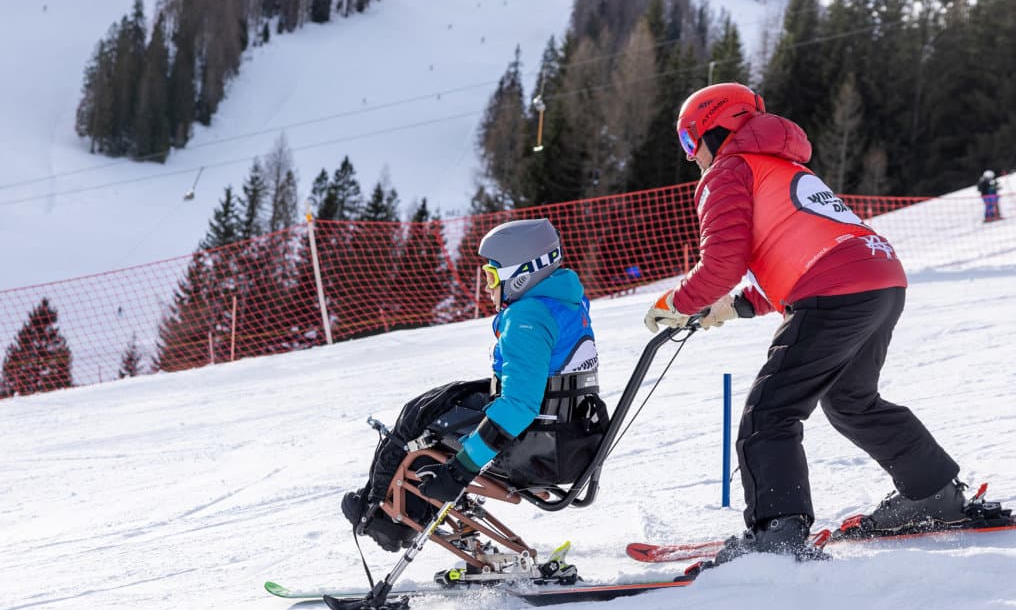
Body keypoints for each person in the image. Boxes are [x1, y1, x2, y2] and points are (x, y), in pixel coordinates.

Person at [643, 82, 965, 565]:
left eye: (691, 142)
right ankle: (932, 492)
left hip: (836, 288)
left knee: (768, 415)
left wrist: (679, 300)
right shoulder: (785, 166)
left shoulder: (729, 170)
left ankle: (778, 531)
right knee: (851, 400)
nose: (692, 158)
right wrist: (733, 306)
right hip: (880, 277)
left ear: (717, 128)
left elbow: (723, 263)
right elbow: (795, 257)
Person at [342, 217, 602, 550]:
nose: (489, 286)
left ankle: (380, 514)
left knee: (416, 424)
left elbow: (519, 406)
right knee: (437, 404)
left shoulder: (528, 318)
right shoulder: (566, 303)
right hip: (565, 435)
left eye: (492, 276)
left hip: (536, 446)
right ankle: (392, 507)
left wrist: (460, 470)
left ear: (523, 274)